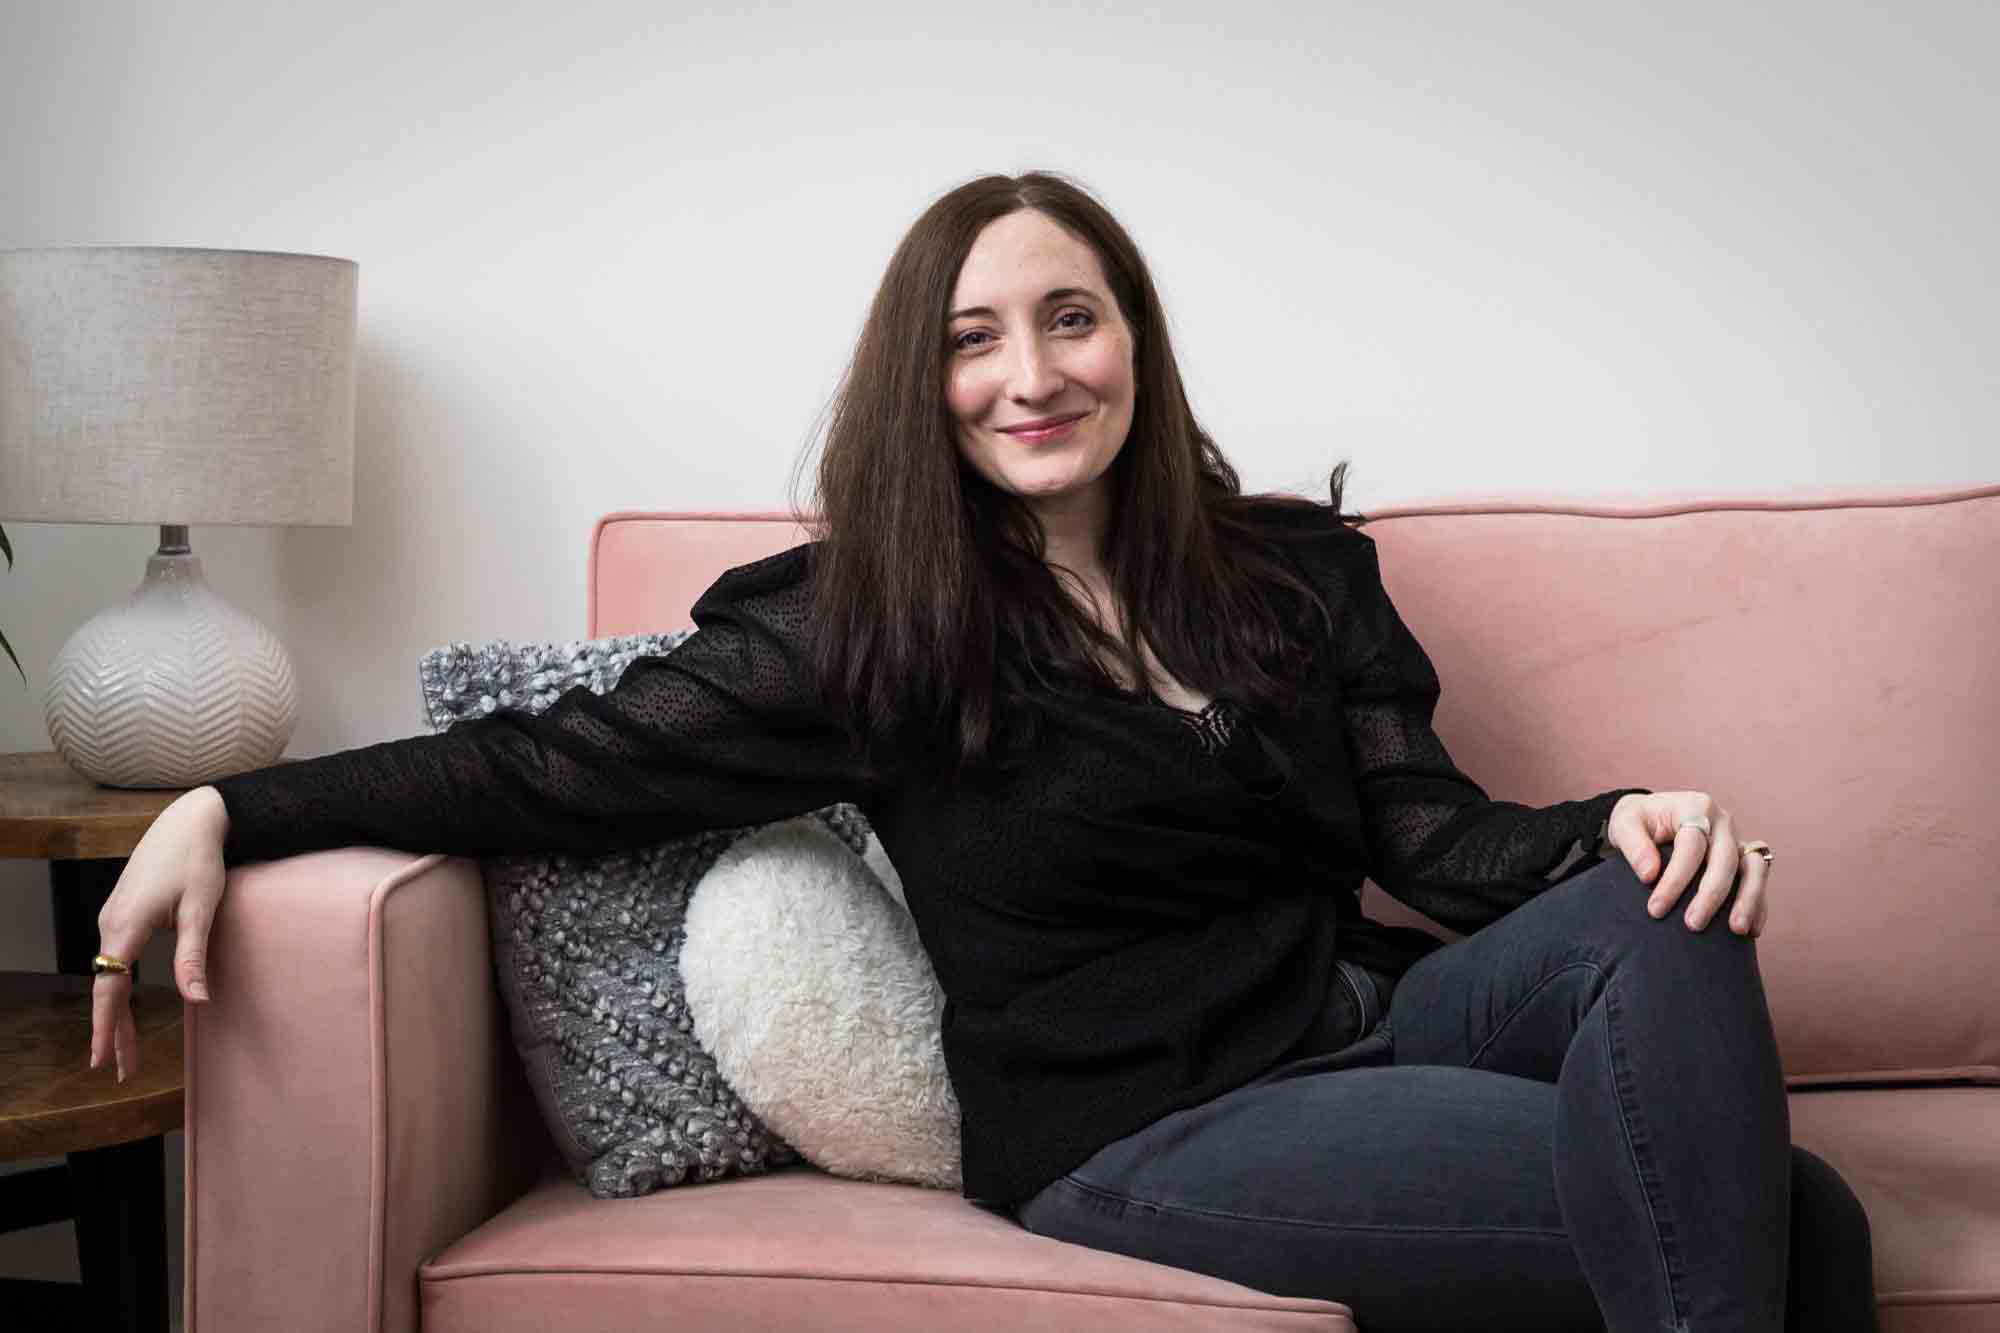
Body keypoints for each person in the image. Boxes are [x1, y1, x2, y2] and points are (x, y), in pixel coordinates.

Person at [85, 171, 1876, 1332]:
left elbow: (1433, 831)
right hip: (1151, 1119)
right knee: (1780, 1218)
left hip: (1368, 1013)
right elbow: (545, 768)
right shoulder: (870, 632)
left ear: (1133, 343)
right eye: (974, 338)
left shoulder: (1287, 571)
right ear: (921, 378)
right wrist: (225, 797)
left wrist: (1627, 817)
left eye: (1070, 317)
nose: (1032, 372)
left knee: (1673, 910)